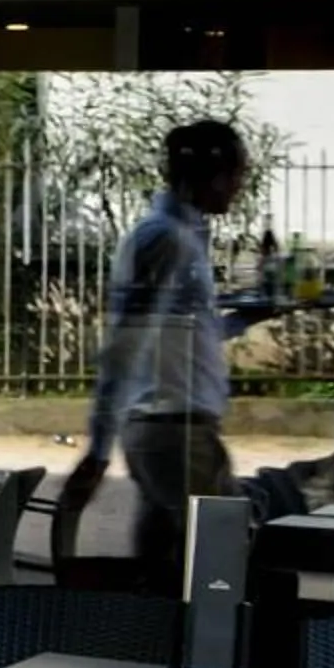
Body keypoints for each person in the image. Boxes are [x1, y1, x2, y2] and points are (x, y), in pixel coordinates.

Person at [67, 119, 256, 588]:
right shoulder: (165, 239)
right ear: (210, 177)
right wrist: (98, 448)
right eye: (235, 174)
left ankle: (154, 630)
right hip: (174, 430)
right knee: (216, 566)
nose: (239, 186)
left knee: (167, 567)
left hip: (174, 427)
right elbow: (128, 341)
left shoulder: (178, 237)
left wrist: (245, 319)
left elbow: (175, 333)